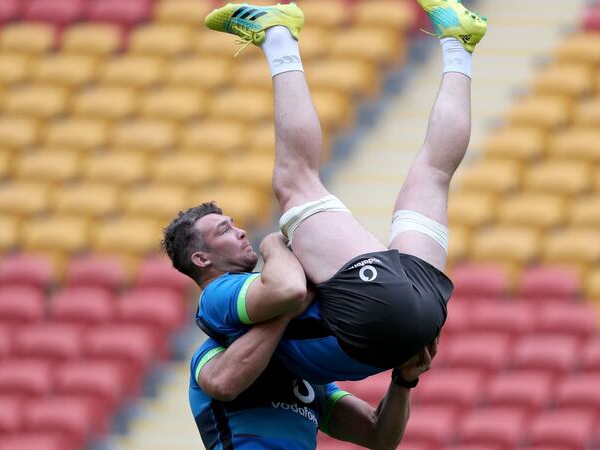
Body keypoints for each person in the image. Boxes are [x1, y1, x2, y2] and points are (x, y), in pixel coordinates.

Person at [162, 0, 486, 383]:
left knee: (433, 173)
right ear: (201, 259)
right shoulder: (217, 296)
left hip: (416, 319)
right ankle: (277, 34)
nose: (241, 231)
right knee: (294, 183)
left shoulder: (260, 341)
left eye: (232, 224)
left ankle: (458, 44)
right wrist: (274, 244)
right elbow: (288, 289)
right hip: (373, 314)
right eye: (224, 231)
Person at [189, 302, 437, 449]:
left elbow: (379, 436)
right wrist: (285, 313)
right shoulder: (216, 352)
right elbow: (222, 383)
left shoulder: (311, 376)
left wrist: (404, 380)